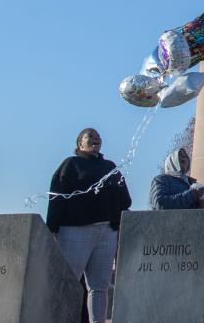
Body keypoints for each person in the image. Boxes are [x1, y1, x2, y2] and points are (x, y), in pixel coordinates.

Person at [46, 128, 131, 323]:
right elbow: (57, 197)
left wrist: (116, 223)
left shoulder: (110, 166)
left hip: (106, 232)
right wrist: (52, 227)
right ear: (80, 144)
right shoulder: (71, 165)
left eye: (97, 136)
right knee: (68, 281)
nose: (95, 138)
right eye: (90, 136)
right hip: (75, 230)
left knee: (99, 286)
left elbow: (125, 200)